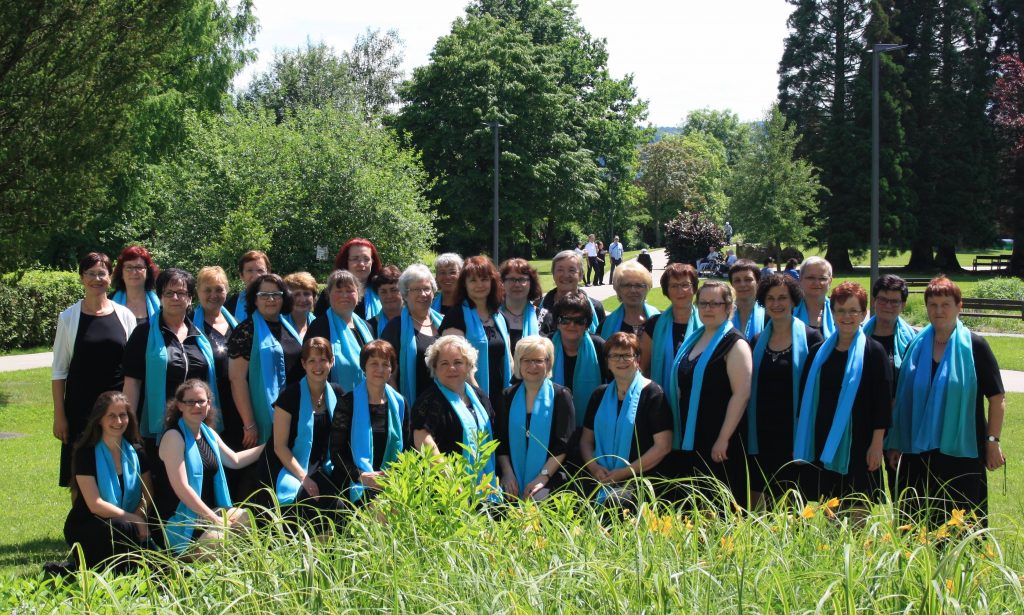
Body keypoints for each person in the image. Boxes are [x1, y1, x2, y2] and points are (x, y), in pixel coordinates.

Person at [886, 276, 1005, 522]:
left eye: (945, 304)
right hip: (917, 452)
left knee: (961, 525)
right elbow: (902, 399)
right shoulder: (914, 346)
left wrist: (992, 441)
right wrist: (895, 441)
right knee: (915, 523)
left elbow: (996, 397)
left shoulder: (975, 346)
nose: (938, 310)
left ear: (959, 306)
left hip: (960, 452)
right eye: (933, 304)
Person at [122, 268, 217, 518]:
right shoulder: (144, 334)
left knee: (197, 482)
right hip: (158, 428)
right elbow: (132, 384)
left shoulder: (200, 335)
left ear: (189, 298)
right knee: (164, 489)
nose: (175, 298)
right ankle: (166, 543)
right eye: (169, 293)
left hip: (196, 424)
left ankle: (196, 535)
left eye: (181, 293)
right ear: (160, 296)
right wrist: (128, 426)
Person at [793, 282, 892, 504]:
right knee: (829, 508)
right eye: (841, 311)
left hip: (859, 443)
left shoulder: (874, 352)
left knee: (857, 508)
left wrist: (877, 445)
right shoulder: (819, 352)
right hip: (822, 440)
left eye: (853, 311)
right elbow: (804, 400)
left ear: (864, 313)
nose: (846, 317)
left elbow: (883, 404)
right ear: (832, 312)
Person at [52, 252, 137, 487]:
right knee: (81, 476)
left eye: (102, 273)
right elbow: (59, 372)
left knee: (118, 472)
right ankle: (83, 523)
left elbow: (132, 370)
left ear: (110, 277)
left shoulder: (125, 316)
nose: (96, 279)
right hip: (79, 410)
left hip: (116, 411)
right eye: (90, 273)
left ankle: (118, 521)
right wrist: (60, 416)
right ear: (81, 278)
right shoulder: (68, 318)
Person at [667, 281, 753, 506]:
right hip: (691, 433)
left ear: (729, 307)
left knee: (720, 503)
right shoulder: (695, 338)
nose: (708, 308)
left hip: (720, 437)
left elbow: (741, 394)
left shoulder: (735, 343)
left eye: (715, 303)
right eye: (703, 303)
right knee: (694, 504)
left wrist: (723, 439)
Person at [159, 380, 265, 555]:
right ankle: (183, 568)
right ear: (179, 406)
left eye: (202, 401)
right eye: (190, 402)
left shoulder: (208, 433)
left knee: (244, 516)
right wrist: (214, 518)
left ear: (209, 404)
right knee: (220, 536)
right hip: (185, 520)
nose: (197, 406)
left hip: (209, 515)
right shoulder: (173, 437)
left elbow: (235, 460)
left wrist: (271, 446)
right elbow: (182, 487)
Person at [745, 274, 823, 506]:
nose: (776, 304)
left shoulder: (812, 338)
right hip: (761, 431)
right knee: (760, 495)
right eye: (770, 298)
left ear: (793, 301)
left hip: (796, 430)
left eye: (782, 298)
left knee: (791, 497)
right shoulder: (757, 340)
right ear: (763, 301)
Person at [227, 273, 305, 502]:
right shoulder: (246, 331)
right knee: (258, 478)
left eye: (276, 294)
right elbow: (237, 379)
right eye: (264, 295)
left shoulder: (287, 326)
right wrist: (249, 424)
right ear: (254, 298)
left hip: (290, 415)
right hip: (259, 419)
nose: (270, 299)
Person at [579, 332, 673, 506]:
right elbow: (585, 441)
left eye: (627, 355)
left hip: (640, 477)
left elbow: (663, 446)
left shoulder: (653, 394)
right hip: (601, 473)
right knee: (572, 496)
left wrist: (622, 473)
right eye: (614, 356)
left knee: (614, 501)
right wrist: (594, 468)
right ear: (607, 361)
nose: (620, 361)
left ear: (637, 360)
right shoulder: (599, 395)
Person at [63, 392, 153, 570]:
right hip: (89, 524)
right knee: (121, 527)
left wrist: (140, 516)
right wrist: (134, 519)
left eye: (123, 415)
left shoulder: (137, 451)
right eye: (111, 416)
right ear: (99, 419)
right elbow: (95, 504)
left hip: (128, 522)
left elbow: (148, 494)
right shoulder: (86, 453)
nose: (118, 422)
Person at [412, 335, 500, 501]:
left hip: (484, 487)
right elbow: (422, 441)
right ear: (435, 368)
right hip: (446, 490)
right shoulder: (429, 400)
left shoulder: (480, 397)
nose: (451, 368)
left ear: (469, 365)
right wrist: (449, 477)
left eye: (458, 362)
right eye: (444, 363)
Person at [272, 337, 346, 515]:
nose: (318, 366)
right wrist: (303, 478)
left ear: (332, 362)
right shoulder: (289, 396)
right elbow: (279, 446)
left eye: (323, 360)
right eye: (312, 360)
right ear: (303, 364)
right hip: (291, 467)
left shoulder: (337, 392)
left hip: (324, 467)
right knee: (309, 506)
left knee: (341, 507)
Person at [331, 340, 410, 504]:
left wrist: (392, 477)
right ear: (364, 367)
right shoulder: (348, 402)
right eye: (374, 363)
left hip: (391, 481)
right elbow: (336, 453)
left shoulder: (401, 403)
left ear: (391, 370)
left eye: (385, 364)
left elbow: (408, 449)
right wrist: (361, 476)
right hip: (355, 481)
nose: (380, 369)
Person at [496, 336, 575, 500]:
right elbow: (500, 442)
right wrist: (508, 474)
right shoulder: (506, 396)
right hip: (512, 472)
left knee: (536, 502)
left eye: (538, 360)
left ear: (548, 363)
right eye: (526, 360)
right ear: (518, 362)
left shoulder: (561, 396)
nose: (532, 366)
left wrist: (542, 478)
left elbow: (563, 445)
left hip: (550, 473)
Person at [439, 255, 513, 409]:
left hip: (502, 398)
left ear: (492, 282)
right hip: (468, 399)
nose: (480, 284)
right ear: (464, 285)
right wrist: (480, 399)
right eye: (473, 280)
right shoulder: (456, 317)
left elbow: (510, 360)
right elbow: (456, 365)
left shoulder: (500, 318)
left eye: (484, 279)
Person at [193, 266, 243, 489]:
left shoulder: (238, 325)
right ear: (198, 291)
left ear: (227, 290)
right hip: (207, 407)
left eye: (219, 289)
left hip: (237, 404)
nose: (213, 295)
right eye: (207, 289)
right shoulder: (190, 326)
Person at [381, 264, 442, 406]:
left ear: (433, 292)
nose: (423, 294)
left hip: (444, 405)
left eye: (427, 288)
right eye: (416, 289)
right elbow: (389, 375)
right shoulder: (395, 328)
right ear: (405, 295)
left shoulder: (445, 323)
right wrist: (401, 408)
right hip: (413, 406)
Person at [306, 270, 374, 394]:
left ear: (358, 294)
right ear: (329, 295)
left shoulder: (367, 327)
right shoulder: (319, 327)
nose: (344, 295)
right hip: (333, 400)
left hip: (368, 397)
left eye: (349, 291)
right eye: (339, 291)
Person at [549, 291, 608, 429]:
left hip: (592, 422)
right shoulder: (546, 344)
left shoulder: (599, 346)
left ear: (587, 324)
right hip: (552, 422)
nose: (571, 325)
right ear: (557, 322)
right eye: (565, 319)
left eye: (579, 320)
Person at [639, 264, 700, 391]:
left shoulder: (707, 323)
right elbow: (642, 368)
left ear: (694, 288)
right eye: (674, 286)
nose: (680, 291)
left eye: (685, 285)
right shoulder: (654, 325)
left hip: (698, 398)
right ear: (666, 291)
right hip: (662, 401)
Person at [314, 238, 385, 321]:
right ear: (346, 262)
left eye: (366, 259)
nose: (361, 264)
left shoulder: (382, 291)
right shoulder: (331, 293)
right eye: (355, 259)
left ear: (372, 262)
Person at [539, 250, 607, 335]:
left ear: (581, 275)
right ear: (553, 274)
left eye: (571, 270)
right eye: (560, 270)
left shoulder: (596, 307)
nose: (566, 275)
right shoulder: (539, 307)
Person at [863, 274, 916, 371]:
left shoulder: (913, 341)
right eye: (883, 300)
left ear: (903, 305)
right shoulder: (859, 337)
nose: (888, 306)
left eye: (894, 301)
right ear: (873, 301)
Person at [601, 261, 660, 339]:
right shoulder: (606, 324)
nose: (633, 290)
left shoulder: (661, 321)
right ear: (618, 289)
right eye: (627, 285)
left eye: (638, 285)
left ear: (647, 288)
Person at [498, 258, 543, 353]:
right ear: (502, 283)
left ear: (531, 283)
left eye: (522, 279)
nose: (517, 284)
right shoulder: (491, 317)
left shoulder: (544, 318)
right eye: (511, 279)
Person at [110, 246, 161, 323]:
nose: (134, 272)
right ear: (121, 273)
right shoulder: (109, 303)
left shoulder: (161, 304)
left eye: (139, 267)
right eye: (129, 267)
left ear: (147, 273)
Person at [224, 251, 270, 324]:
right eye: (249, 270)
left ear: (268, 273)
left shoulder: (277, 301)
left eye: (260, 270)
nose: (255, 276)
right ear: (241, 275)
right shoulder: (232, 304)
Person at [794, 256, 834, 336]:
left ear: (830, 281)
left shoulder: (838, 310)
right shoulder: (789, 311)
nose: (816, 283)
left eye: (822, 278)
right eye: (810, 278)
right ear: (800, 279)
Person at [728, 260, 765, 342]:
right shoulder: (724, 314)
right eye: (737, 280)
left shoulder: (769, 314)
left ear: (758, 282)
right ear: (732, 284)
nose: (742, 284)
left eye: (748, 279)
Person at [367, 265, 403, 339]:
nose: (389, 296)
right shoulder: (369, 326)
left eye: (393, 290)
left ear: (403, 291)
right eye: (383, 292)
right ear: (377, 294)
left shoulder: (415, 320)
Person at [282, 272, 318, 342]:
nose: (303, 299)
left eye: (306, 294)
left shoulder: (318, 324)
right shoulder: (279, 324)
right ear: (287, 298)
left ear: (313, 297)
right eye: (297, 294)